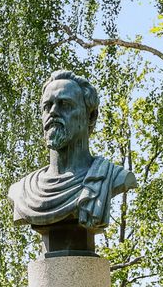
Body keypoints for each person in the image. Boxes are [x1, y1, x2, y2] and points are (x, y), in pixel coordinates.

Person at [8, 70, 137, 255]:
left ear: (91, 116)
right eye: (47, 106)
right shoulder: (22, 191)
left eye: (65, 105)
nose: (53, 112)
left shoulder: (113, 178)